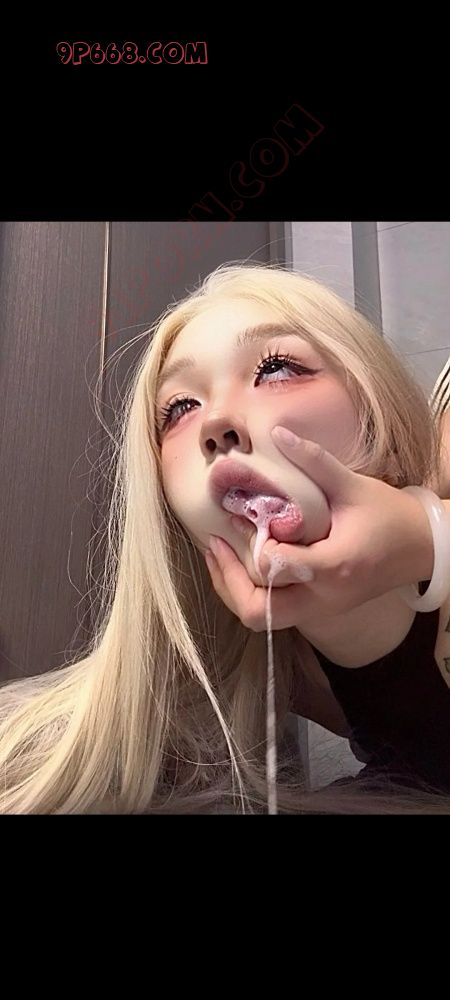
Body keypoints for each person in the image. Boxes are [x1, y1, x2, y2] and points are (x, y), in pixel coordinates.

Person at [1, 262, 450, 814]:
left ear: (384, 426)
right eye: (180, 408)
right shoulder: (253, 669)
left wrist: (427, 535)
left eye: (276, 368)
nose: (216, 422)